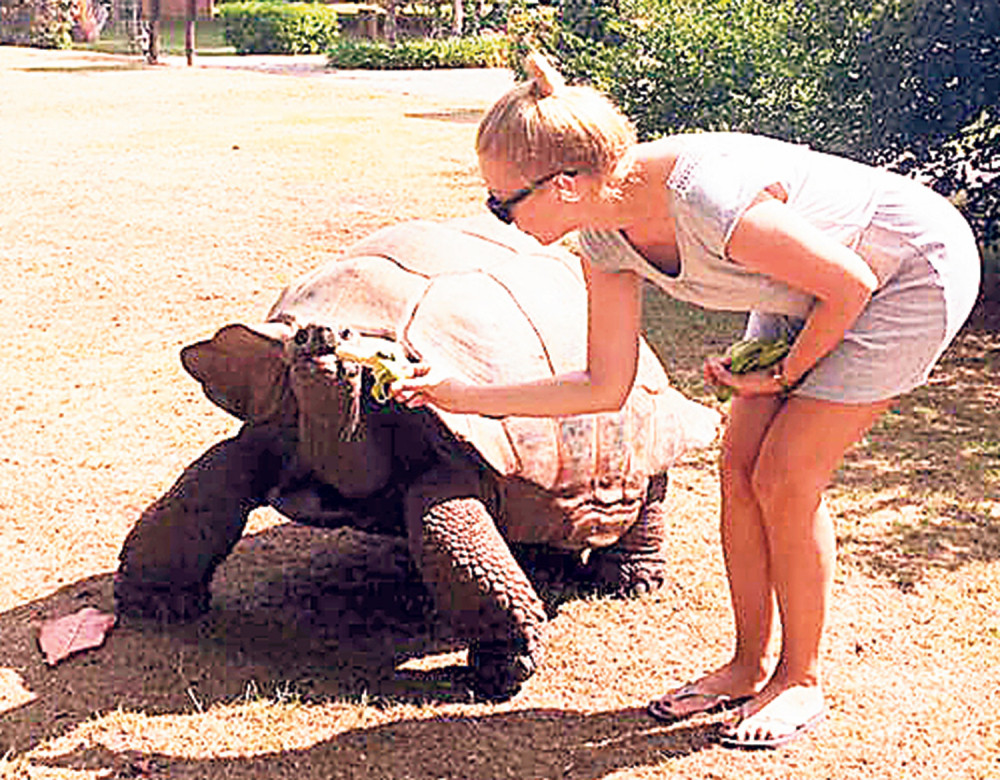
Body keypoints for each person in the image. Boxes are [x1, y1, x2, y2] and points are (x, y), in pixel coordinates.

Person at [391, 52, 981, 748]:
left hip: (907, 273)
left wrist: (785, 373)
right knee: (738, 469)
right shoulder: (604, 237)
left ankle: (800, 679)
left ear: (566, 183)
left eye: (504, 203)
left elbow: (851, 284)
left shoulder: (706, 197)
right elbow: (603, 384)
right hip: (805, 288)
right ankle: (747, 666)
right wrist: (462, 395)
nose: (502, 220)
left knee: (786, 478)